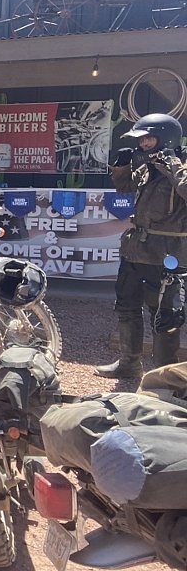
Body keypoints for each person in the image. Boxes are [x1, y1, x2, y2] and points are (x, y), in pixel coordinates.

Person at [96, 113, 187, 379]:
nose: (143, 144)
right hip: (135, 250)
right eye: (142, 140)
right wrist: (122, 165)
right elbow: (124, 187)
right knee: (126, 308)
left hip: (166, 255)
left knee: (165, 317)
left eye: (148, 139)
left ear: (165, 138)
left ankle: (162, 377)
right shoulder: (147, 165)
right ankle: (129, 364)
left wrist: (171, 166)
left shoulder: (180, 165)